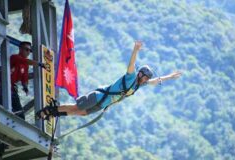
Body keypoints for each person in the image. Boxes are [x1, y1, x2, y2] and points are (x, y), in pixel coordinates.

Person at [36, 41, 181, 119]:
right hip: (100, 96)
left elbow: (156, 81)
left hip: (102, 104)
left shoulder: (138, 86)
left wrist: (170, 76)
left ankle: (55, 113)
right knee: (76, 108)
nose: (145, 79)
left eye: (146, 78)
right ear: (140, 73)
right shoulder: (131, 77)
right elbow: (131, 65)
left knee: (80, 113)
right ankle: (49, 110)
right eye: (144, 76)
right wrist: (135, 50)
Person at [10, 41, 46, 119]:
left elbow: (24, 77)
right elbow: (25, 61)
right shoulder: (14, 57)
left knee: (19, 112)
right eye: (26, 49)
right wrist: (39, 64)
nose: (28, 52)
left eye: (30, 50)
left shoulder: (26, 66)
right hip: (3, 84)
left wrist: (25, 86)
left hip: (12, 88)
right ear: (20, 49)